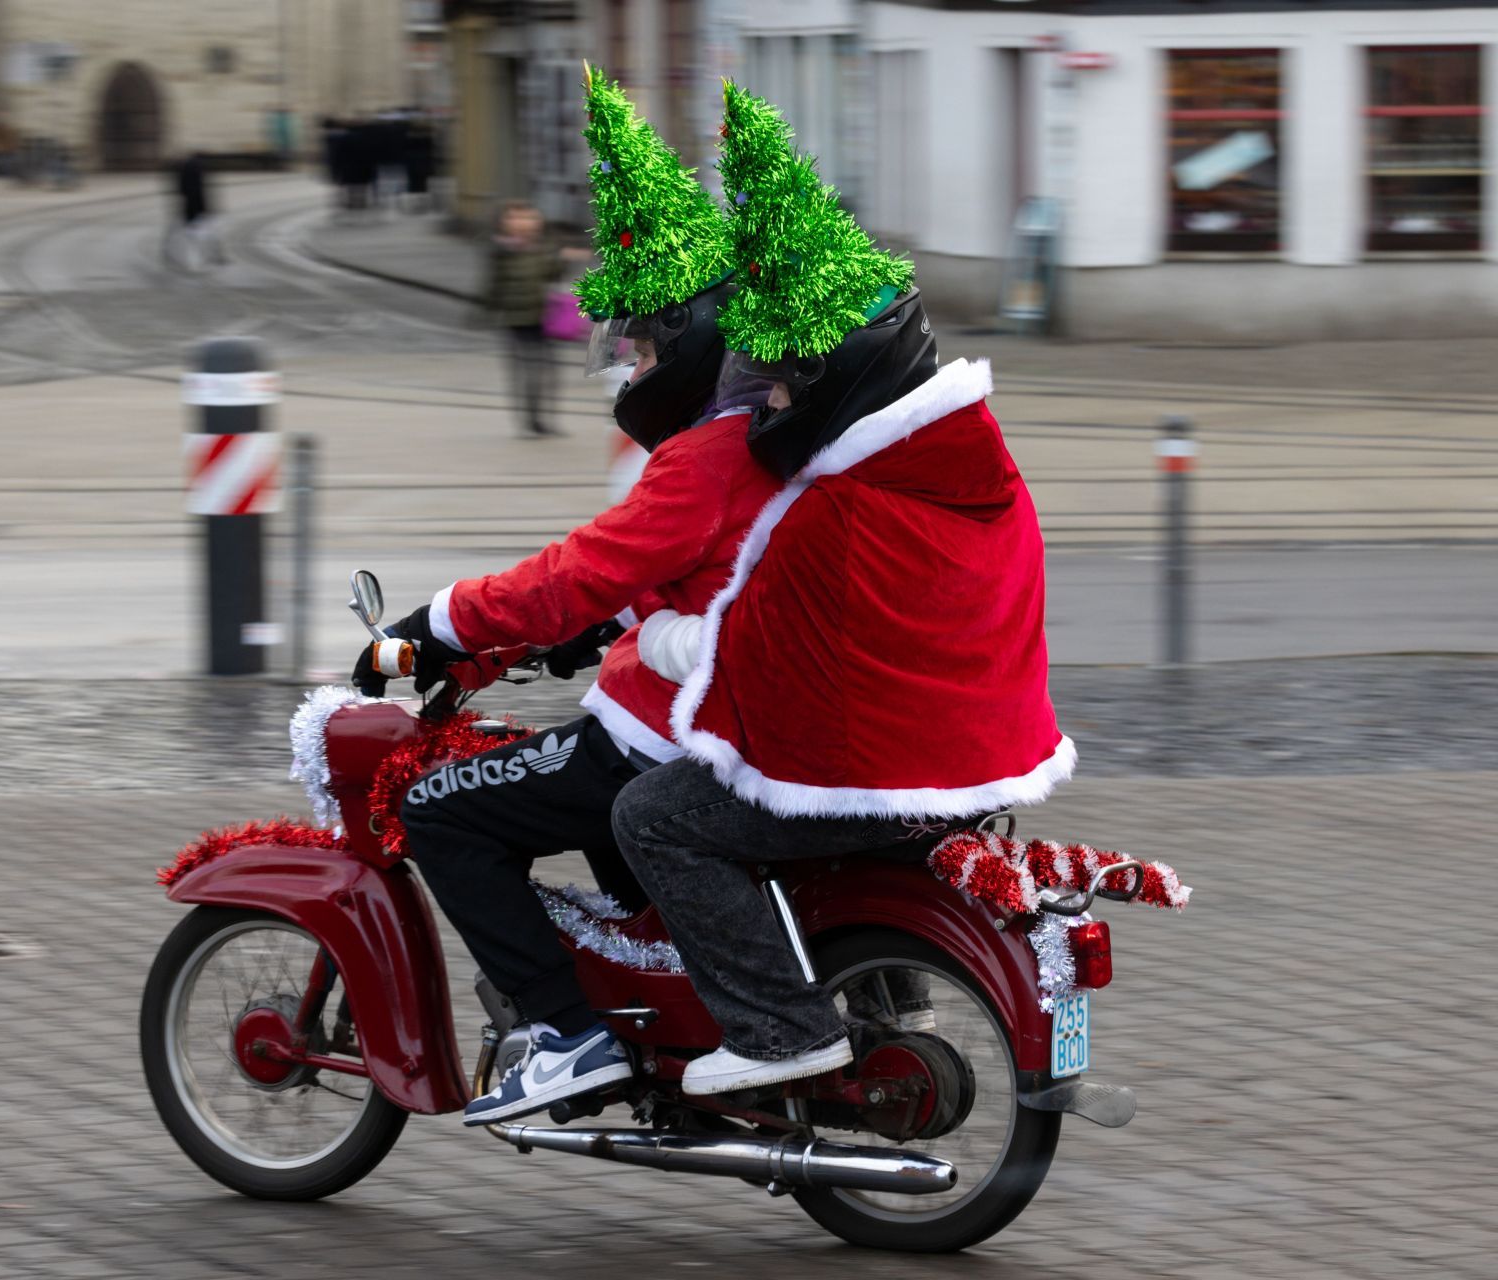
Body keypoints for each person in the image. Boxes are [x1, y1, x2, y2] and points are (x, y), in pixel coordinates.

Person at [611, 83, 1074, 1097]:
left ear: (838, 377)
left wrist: (657, 641)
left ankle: (779, 1029)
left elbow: (750, 657)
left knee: (653, 813)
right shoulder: (972, 471)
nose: (766, 400)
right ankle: (889, 998)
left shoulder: (838, 510)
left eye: (780, 382)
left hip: (879, 767)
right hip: (980, 756)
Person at [352, 66, 778, 1127]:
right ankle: (670, 1045)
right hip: (726, 705)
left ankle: (566, 1034)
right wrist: (585, 628)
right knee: (598, 821)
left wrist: (436, 624)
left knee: (440, 809)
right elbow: (648, 579)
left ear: (680, 344)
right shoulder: (760, 438)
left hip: (679, 727)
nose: (624, 361)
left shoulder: (702, 455)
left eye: (635, 340)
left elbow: (585, 567)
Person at [482, 202, 570, 438]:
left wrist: (563, 259)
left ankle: (541, 420)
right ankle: (529, 420)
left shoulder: (545, 246)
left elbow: (555, 274)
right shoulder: (502, 250)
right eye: (516, 218)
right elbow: (493, 282)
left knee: (547, 371)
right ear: (506, 223)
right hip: (516, 317)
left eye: (529, 218)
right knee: (525, 371)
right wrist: (486, 310)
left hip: (544, 317)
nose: (523, 223)